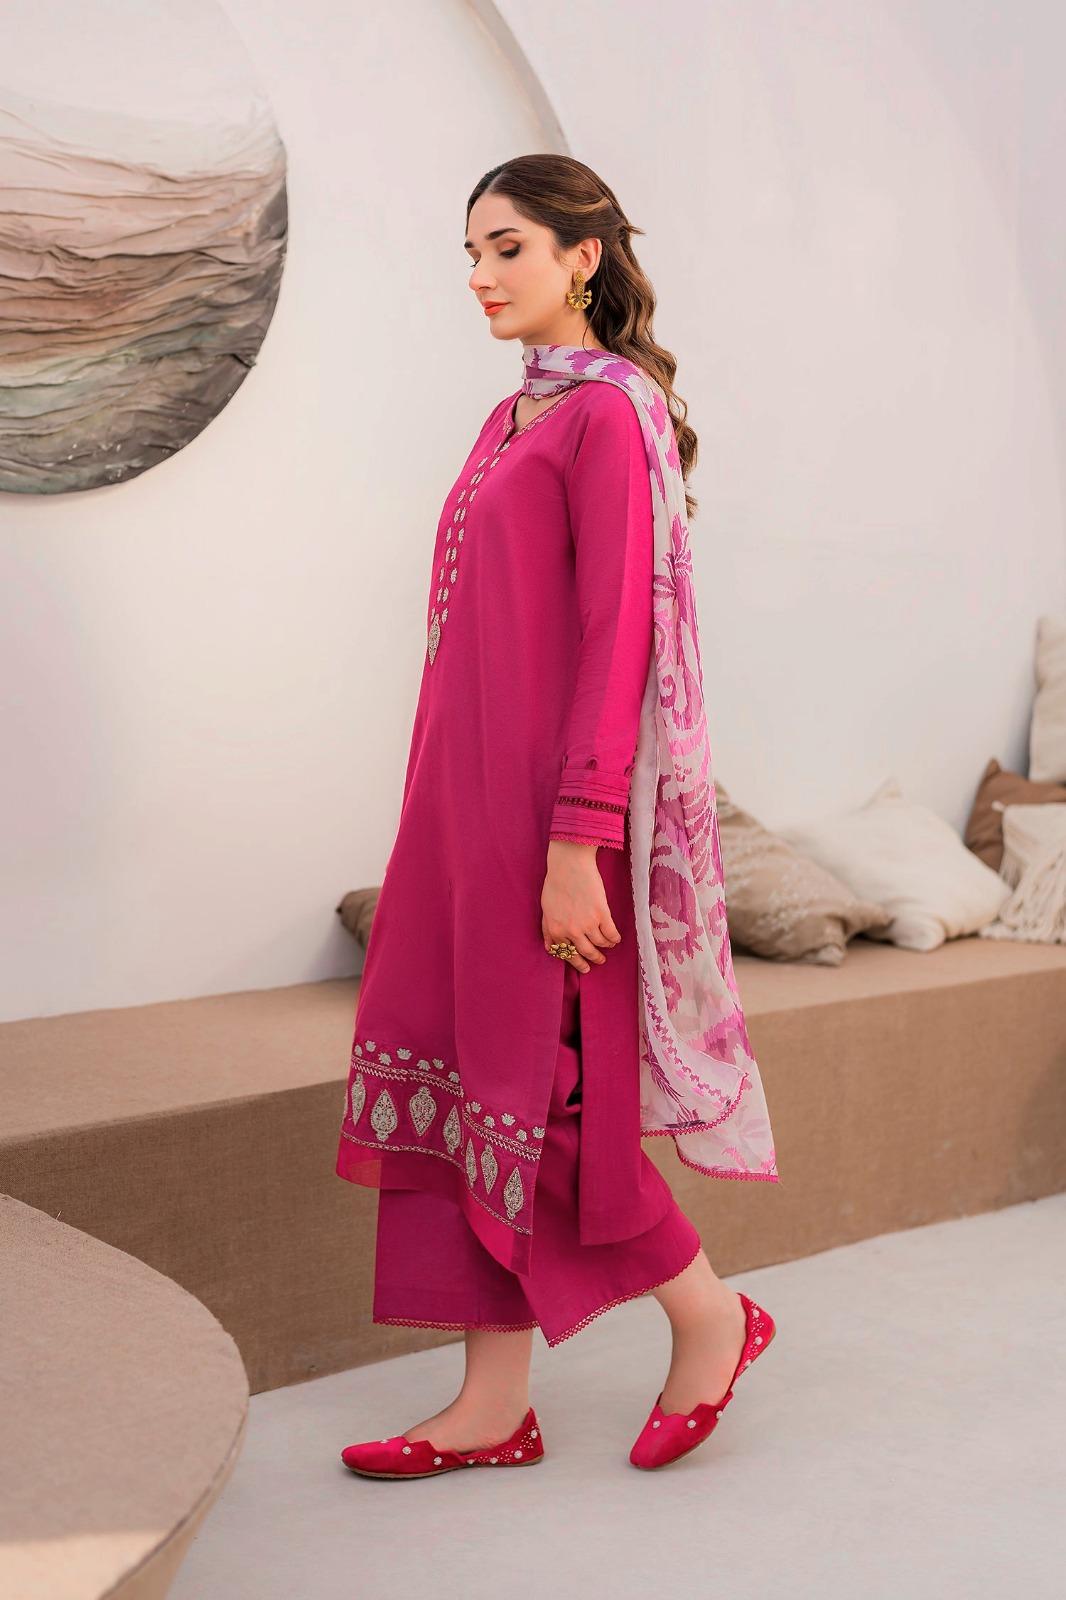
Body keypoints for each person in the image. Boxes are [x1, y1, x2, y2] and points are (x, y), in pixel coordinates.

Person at [337, 154, 779, 1479]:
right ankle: (491, 1406)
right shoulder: (511, 417)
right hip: (459, 814)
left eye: (508, 248)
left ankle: (711, 1316)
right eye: (469, 253)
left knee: (554, 1105)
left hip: (548, 823)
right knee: (466, 1087)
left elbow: (613, 642)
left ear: (583, 257)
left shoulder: (607, 417)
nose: (480, 276)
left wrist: (576, 845)